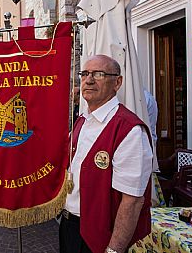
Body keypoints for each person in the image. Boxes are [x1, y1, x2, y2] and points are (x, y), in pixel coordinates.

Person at [60, 55, 153, 253]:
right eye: (84, 74)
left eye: (99, 74)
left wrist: (114, 249)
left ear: (117, 83)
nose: (89, 80)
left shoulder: (129, 129)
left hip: (98, 236)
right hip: (69, 227)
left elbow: (133, 200)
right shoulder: (82, 121)